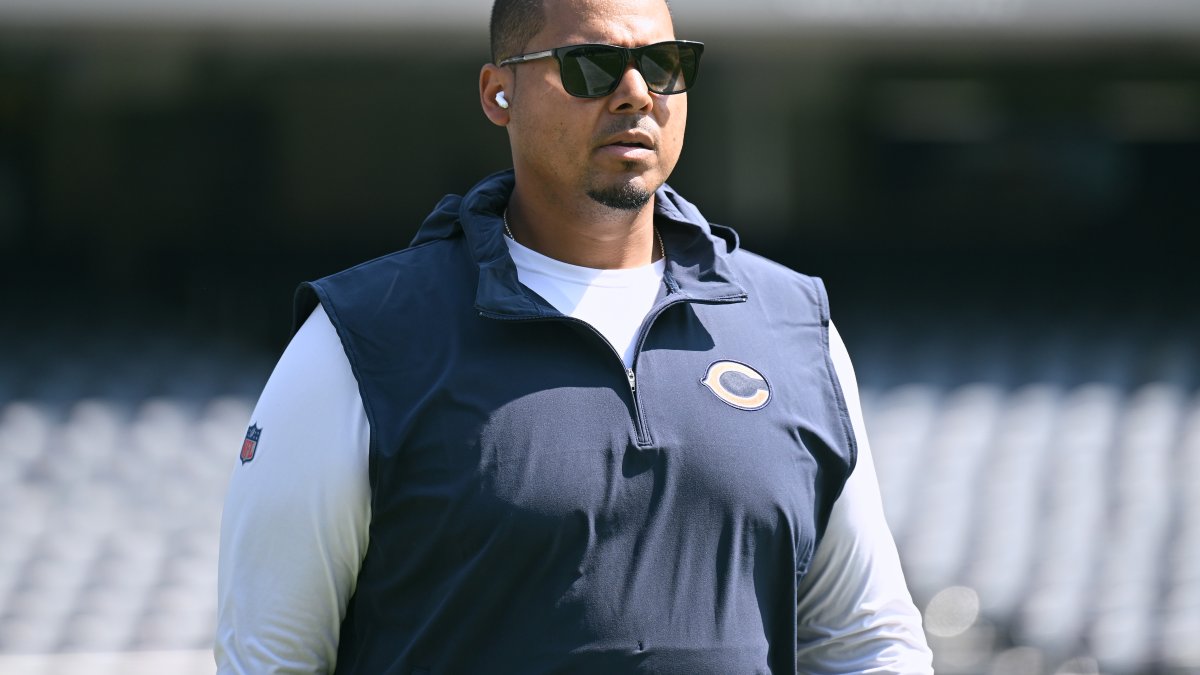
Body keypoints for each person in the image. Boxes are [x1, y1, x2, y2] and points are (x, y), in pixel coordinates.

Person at [215, 0, 934, 672]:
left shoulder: (793, 326)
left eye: (664, 65)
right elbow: (269, 658)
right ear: (500, 93)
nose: (635, 93)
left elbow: (868, 640)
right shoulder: (360, 336)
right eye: (591, 64)